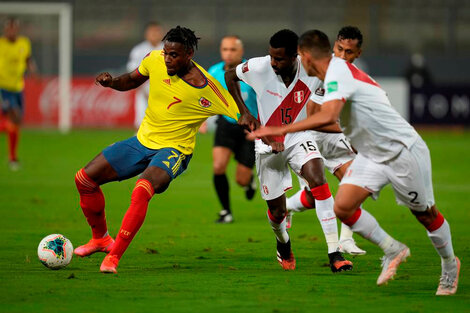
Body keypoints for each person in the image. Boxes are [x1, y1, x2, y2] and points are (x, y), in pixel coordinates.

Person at [250, 29, 460, 295]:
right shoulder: (327, 77)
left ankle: (450, 265)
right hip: (372, 154)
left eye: (301, 58)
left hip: (402, 150)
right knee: (343, 207)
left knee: (425, 214)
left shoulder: (339, 72)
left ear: (307, 57)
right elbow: (318, 115)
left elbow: (328, 116)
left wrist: (279, 128)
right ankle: (393, 249)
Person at [73, 26, 249, 274]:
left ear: (189, 54)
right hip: (141, 142)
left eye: (174, 55)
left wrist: (250, 121)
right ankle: (100, 239)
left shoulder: (206, 87)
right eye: (166, 53)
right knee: (84, 179)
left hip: (175, 150)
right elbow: (132, 80)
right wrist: (112, 82)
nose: (167, 58)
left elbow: (243, 114)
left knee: (142, 190)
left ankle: (114, 256)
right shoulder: (154, 60)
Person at [225, 29, 352, 273]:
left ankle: (334, 252)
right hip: (266, 144)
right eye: (272, 56)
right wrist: (244, 111)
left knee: (318, 179)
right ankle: (283, 243)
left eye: (279, 58)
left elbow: (340, 67)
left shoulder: (312, 69)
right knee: (277, 212)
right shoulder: (260, 67)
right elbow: (230, 75)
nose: (274, 63)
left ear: (296, 56)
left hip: (298, 136)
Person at [285, 26, 366, 256]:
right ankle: (288, 207)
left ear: (358, 53)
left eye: (349, 52)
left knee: (355, 185)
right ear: (333, 47)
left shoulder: (353, 76)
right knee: (313, 198)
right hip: (311, 136)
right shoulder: (320, 69)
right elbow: (312, 114)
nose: (343, 56)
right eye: (339, 49)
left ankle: (346, 240)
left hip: (335, 139)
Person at [206, 35, 258, 223]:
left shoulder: (253, 71)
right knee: (218, 166)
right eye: (225, 49)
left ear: (241, 52)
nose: (228, 53)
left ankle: (249, 180)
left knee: (241, 180)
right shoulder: (213, 72)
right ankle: (226, 211)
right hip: (226, 125)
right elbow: (204, 99)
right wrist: (202, 121)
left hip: (250, 130)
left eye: (233, 50)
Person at [0, 17, 38, 170]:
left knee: (16, 122)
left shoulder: (24, 43)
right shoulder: (1, 44)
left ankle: (12, 157)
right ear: (4, 30)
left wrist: (33, 71)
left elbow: (28, 59)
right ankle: (13, 158)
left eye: (13, 28)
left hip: (18, 87)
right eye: (9, 29)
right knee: (14, 116)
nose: (11, 31)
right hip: (3, 87)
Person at [127, 21, 164, 129]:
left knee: (162, 124)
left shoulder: (168, 49)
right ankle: (137, 145)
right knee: (141, 123)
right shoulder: (138, 50)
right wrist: (144, 91)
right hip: (143, 93)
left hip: (164, 92)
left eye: (157, 32)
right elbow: (132, 73)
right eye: (152, 32)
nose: (154, 34)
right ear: (146, 34)